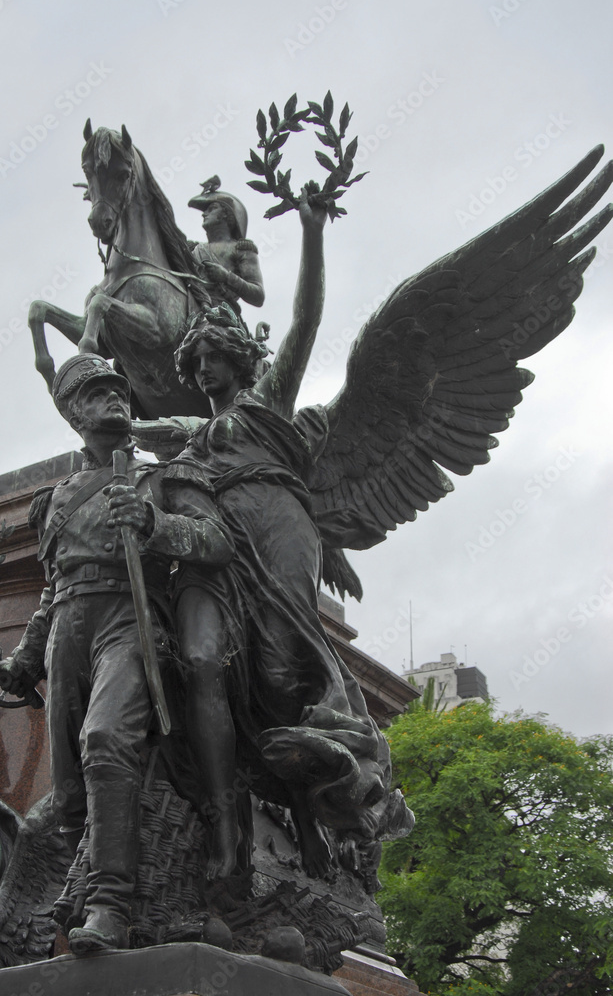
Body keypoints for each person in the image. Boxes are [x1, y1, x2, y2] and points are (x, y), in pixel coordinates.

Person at [170, 186, 393, 883]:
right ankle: (252, 807)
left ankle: (336, 778)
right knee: (226, 671)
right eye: (195, 361)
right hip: (223, 542)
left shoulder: (269, 401)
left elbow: (305, 316)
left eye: (213, 358)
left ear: (237, 359)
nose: (203, 370)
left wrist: (312, 230)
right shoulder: (193, 437)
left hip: (278, 525)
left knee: (282, 661)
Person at [0, 354, 234, 953]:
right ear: (75, 413)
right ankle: (75, 893)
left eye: (118, 391)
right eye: (99, 394)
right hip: (66, 634)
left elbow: (217, 541)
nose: (115, 400)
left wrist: (154, 522)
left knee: (106, 740)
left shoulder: (160, 477)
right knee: (69, 788)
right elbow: (52, 587)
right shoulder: (55, 500)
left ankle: (111, 905)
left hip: (130, 618)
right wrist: (26, 658)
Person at [188, 175, 265, 317]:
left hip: (222, 317)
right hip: (189, 310)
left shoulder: (241, 248)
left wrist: (226, 277)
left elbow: (258, 296)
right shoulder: (194, 249)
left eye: (212, 209)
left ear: (226, 215)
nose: (204, 214)